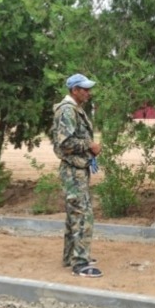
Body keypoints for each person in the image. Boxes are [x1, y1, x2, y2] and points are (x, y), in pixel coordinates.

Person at [52, 73, 102, 278]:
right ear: (74, 90)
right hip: (73, 170)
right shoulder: (67, 110)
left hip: (77, 170)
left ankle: (71, 256)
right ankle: (80, 264)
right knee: (82, 215)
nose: (88, 93)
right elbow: (65, 143)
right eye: (85, 89)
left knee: (75, 213)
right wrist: (90, 145)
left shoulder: (74, 109)